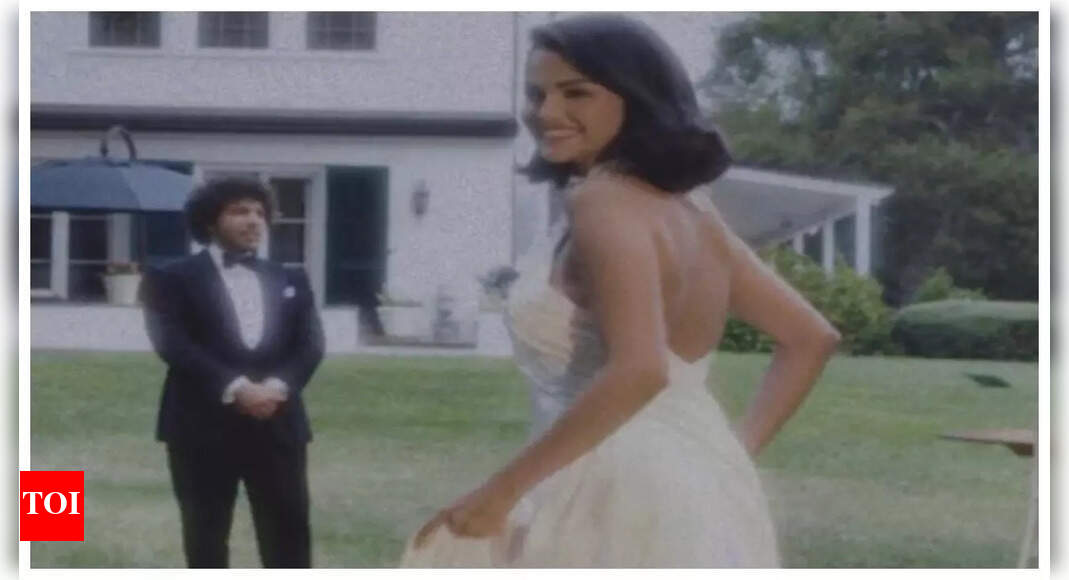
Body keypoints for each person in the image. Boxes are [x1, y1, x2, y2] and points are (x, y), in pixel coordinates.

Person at [401, 14, 840, 567]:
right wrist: (735, 453)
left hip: (613, 487)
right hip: (705, 480)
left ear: (637, 97)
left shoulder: (602, 202)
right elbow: (809, 337)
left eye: (576, 93)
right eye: (536, 95)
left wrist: (500, 492)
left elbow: (641, 369)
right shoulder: (692, 212)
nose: (546, 113)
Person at [139, 177, 324, 568]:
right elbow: (173, 343)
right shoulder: (171, 278)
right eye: (240, 211)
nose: (253, 220)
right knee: (205, 537)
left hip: (278, 423)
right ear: (210, 221)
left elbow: (310, 345)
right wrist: (237, 387)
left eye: (259, 212)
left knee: (289, 535)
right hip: (201, 425)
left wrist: (275, 388)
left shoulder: (291, 278)